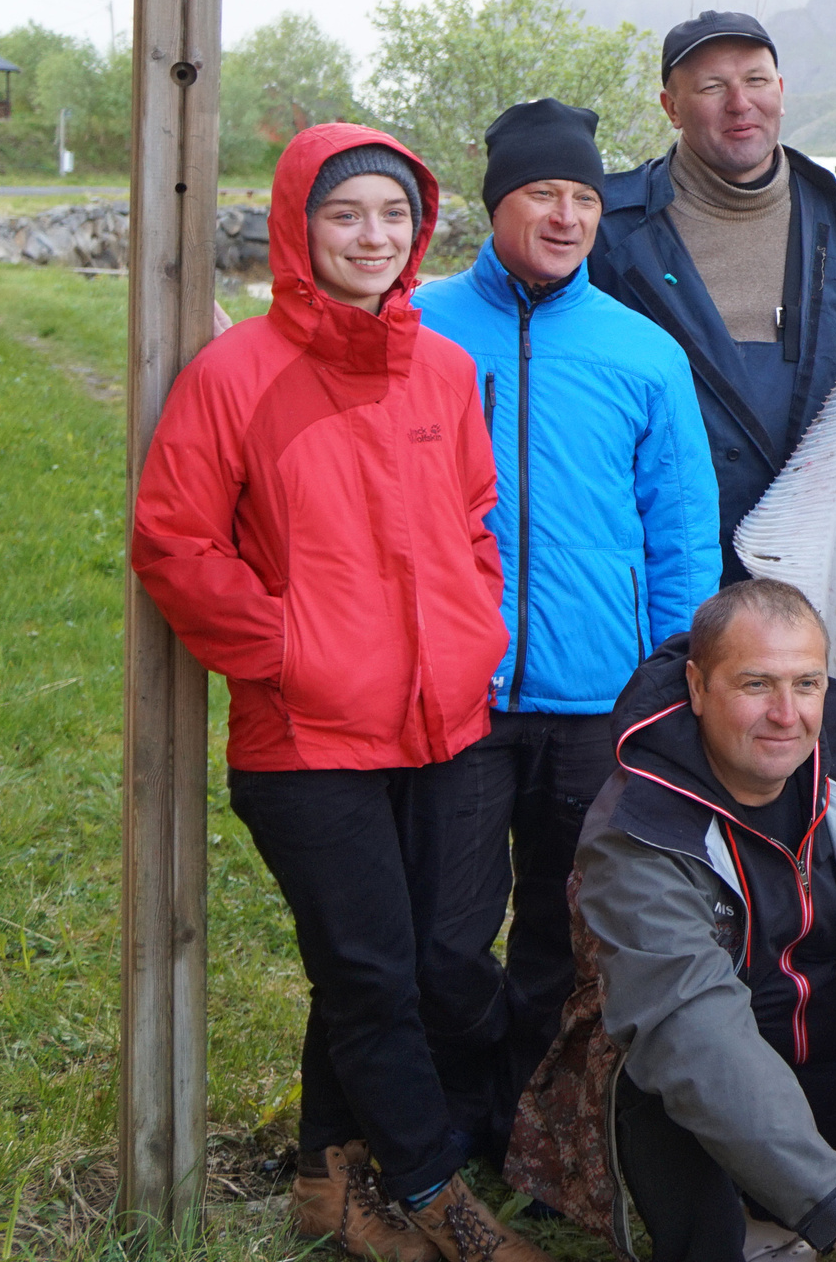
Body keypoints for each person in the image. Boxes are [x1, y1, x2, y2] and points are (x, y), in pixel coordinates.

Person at [132, 124, 554, 1262]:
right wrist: (293, 646)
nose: (373, 236)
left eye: (392, 215)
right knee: (370, 971)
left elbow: (473, 524)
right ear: (298, 228)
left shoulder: (445, 369)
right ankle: (434, 1194)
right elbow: (174, 545)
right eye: (344, 214)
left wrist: (475, 637)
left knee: (404, 963)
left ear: (418, 231)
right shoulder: (236, 375)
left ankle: (331, 1183)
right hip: (305, 735)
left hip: (439, 721)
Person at [411, 99, 723, 1159]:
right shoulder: (418, 326)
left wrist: (670, 676)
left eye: (585, 197)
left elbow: (682, 533)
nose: (566, 214)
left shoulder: (644, 353)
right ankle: (446, 1118)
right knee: (448, 936)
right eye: (543, 192)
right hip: (455, 690)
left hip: (599, 701)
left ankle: (524, 1130)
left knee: (567, 931)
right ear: (496, 200)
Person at [510, 580, 836, 1262]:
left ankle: (810, 1201)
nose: (787, 714)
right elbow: (692, 1033)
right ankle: (774, 1214)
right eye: (756, 684)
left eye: (806, 684)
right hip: (694, 1082)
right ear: (697, 687)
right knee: (699, 1192)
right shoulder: (639, 829)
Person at [590, 12, 836, 581]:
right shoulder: (608, 231)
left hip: (811, 562)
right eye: (711, 87)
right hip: (659, 564)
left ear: (780, 91)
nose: (739, 103)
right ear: (671, 107)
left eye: (755, 80)